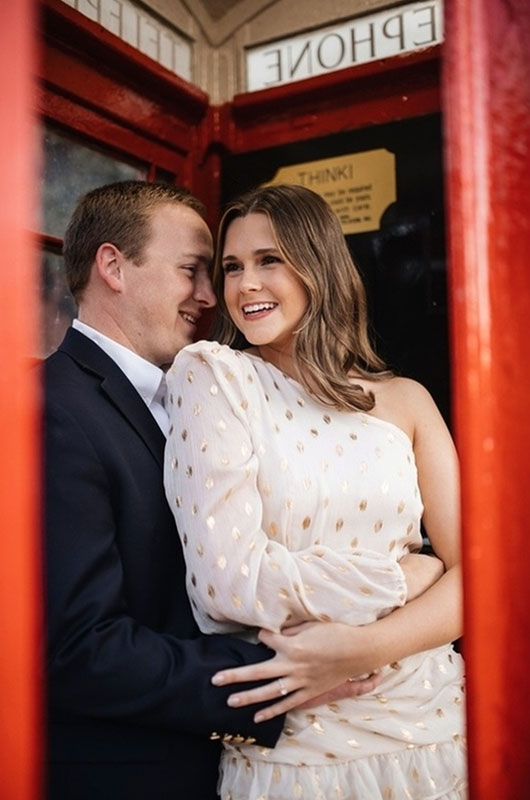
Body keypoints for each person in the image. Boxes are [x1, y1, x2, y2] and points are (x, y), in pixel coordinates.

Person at [164, 184, 467, 799]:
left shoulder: (407, 400)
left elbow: (482, 577)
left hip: (432, 731)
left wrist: (360, 648)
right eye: (231, 267)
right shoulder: (216, 378)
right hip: (298, 748)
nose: (245, 284)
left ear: (318, 264)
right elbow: (228, 585)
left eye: (268, 260)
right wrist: (402, 579)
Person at [43, 180, 291, 800]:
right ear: (113, 267)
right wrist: (280, 674)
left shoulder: (198, 399)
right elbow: (80, 651)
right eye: (193, 270)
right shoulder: (47, 408)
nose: (211, 296)